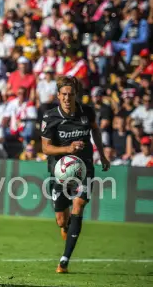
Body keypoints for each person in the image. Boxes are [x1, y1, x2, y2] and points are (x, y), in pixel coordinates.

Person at [41, 76, 110, 274]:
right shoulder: (50, 117)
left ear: (76, 95)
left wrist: (102, 155)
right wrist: (68, 149)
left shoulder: (87, 112)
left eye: (71, 94)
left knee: (79, 205)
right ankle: (65, 228)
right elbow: (46, 148)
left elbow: (95, 132)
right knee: (62, 220)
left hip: (84, 168)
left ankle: (64, 260)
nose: (67, 98)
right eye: (64, 94)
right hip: (60, 171)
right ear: (58, 95)